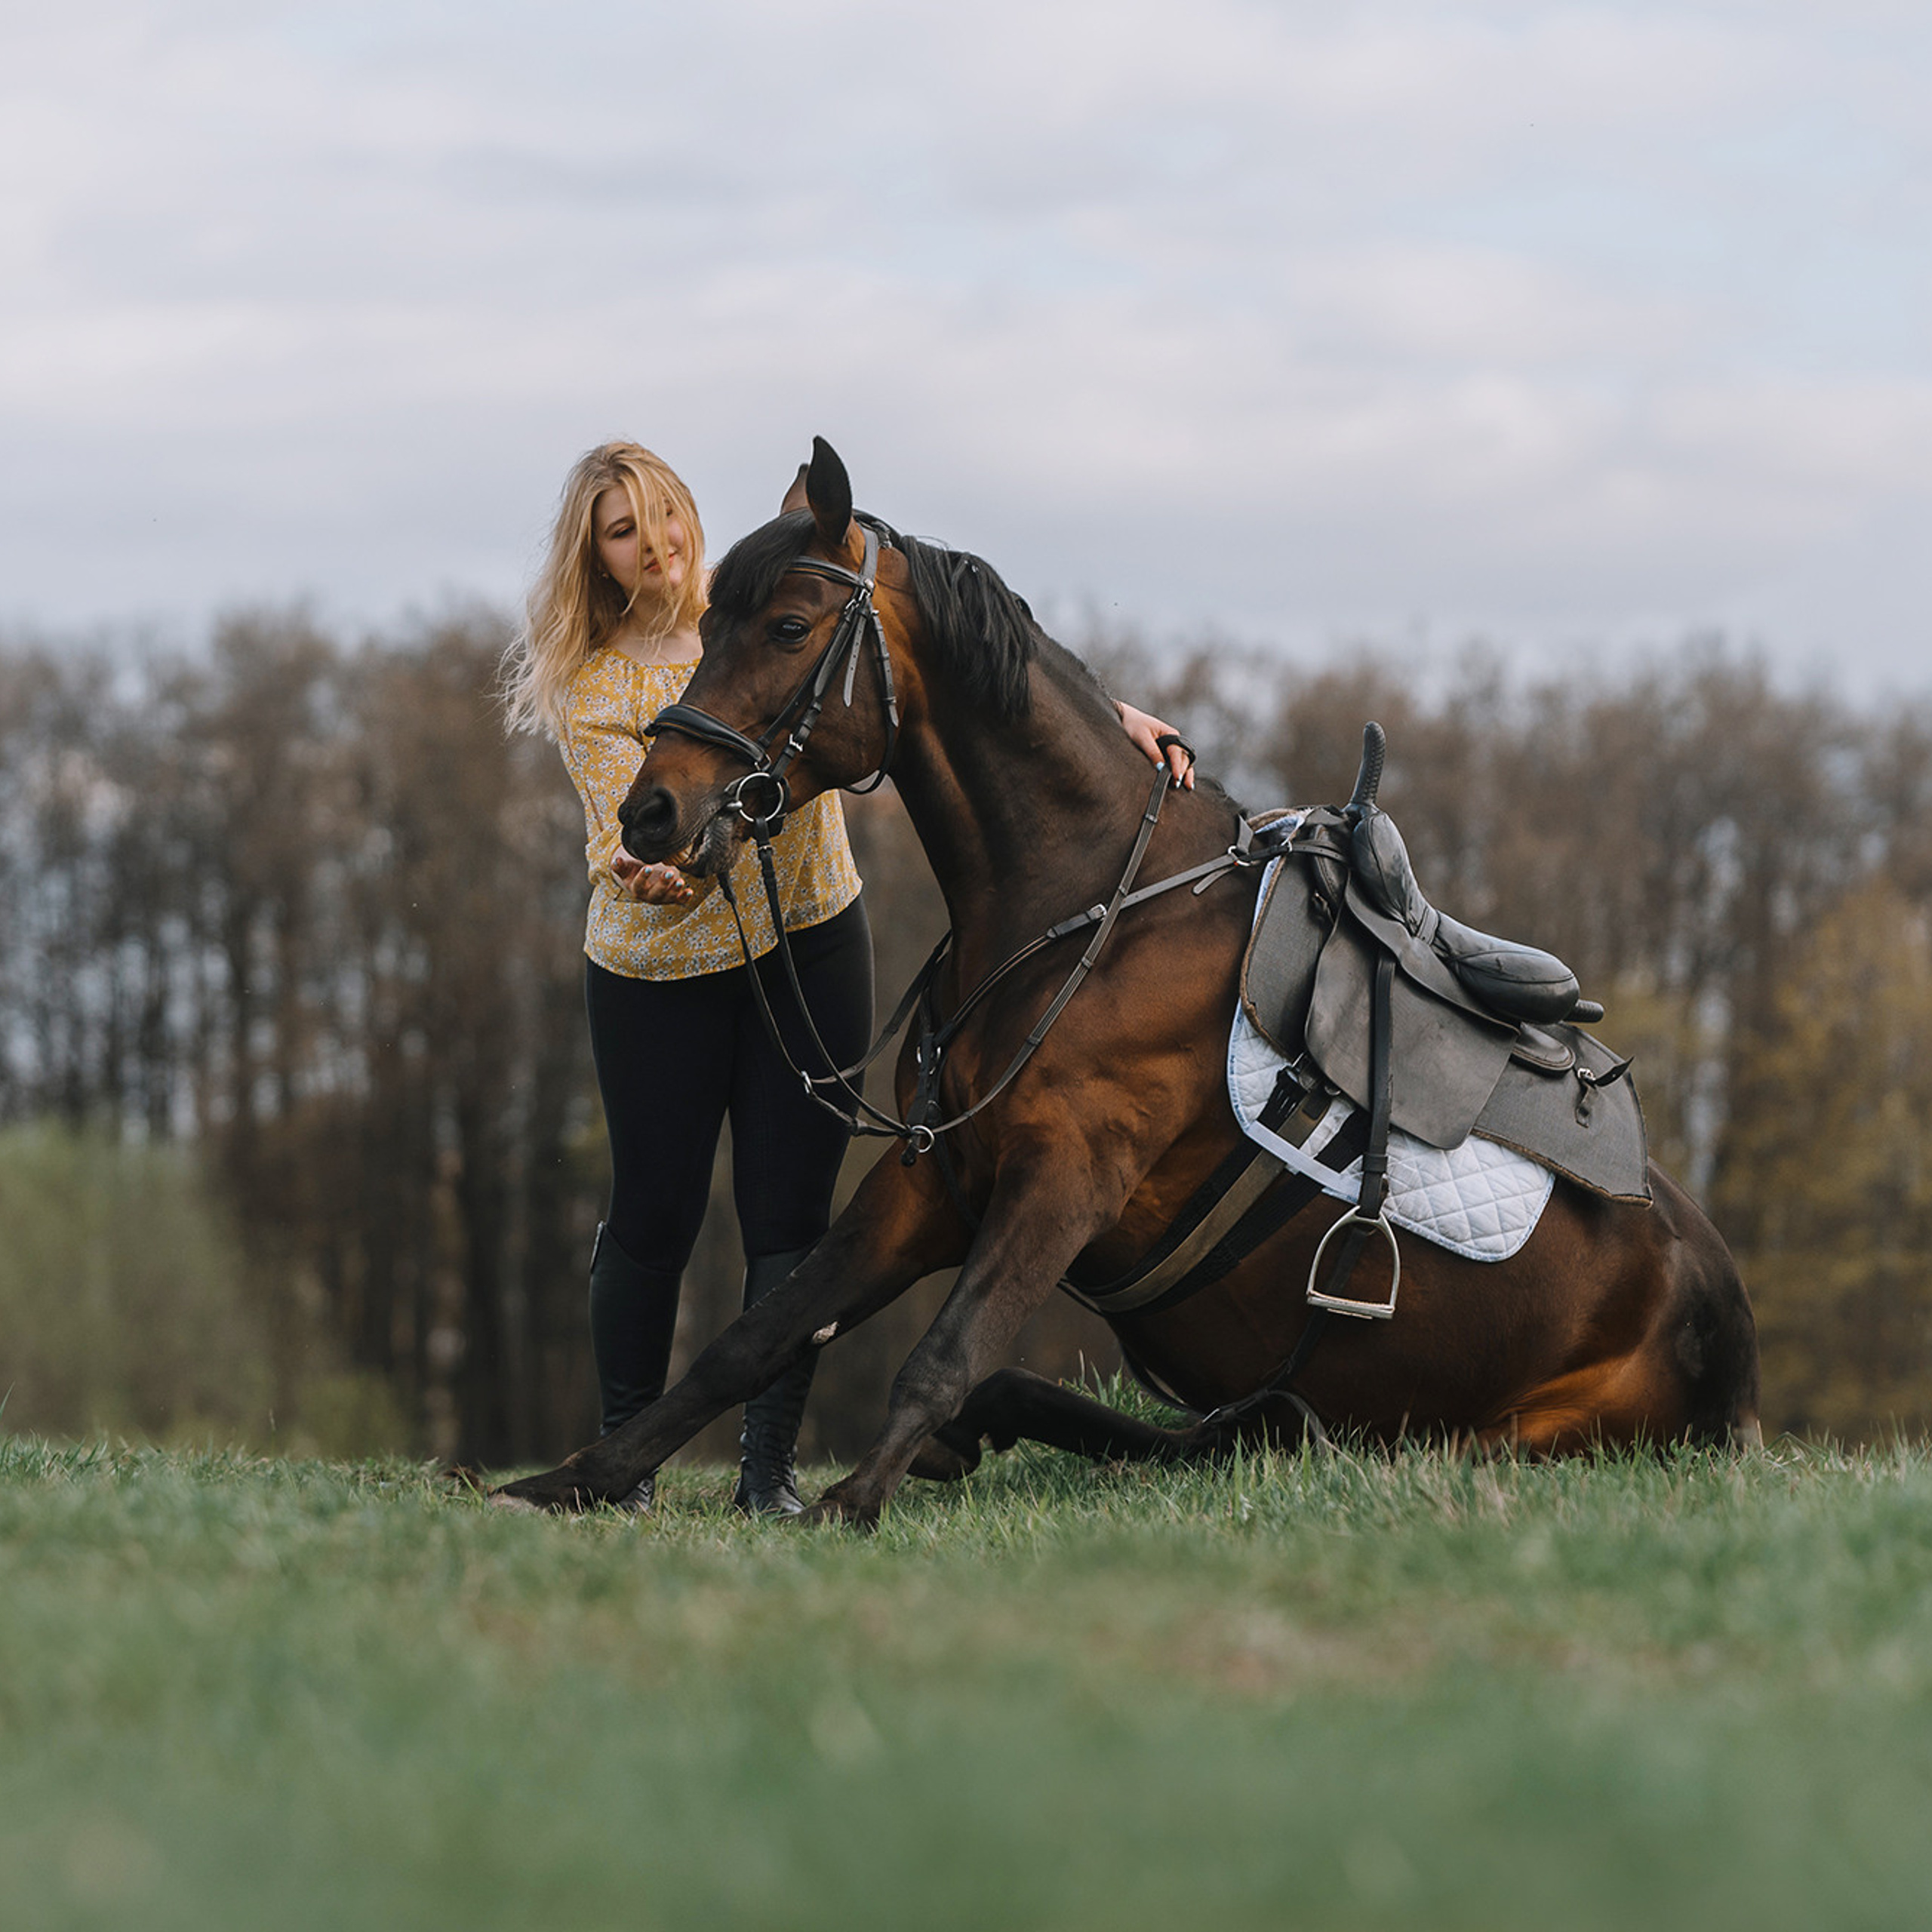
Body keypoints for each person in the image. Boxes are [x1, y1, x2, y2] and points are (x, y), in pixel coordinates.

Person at [503, 440, 1191, 1515]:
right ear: (594, 556)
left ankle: (767, 1475)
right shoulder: (596, 684)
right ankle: (620, 1463)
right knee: (654, 1217)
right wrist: (651, 874)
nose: (657, 546)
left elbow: (952, 658)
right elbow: (618, 840)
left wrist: (1111, 720)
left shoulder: (760, 609)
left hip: (810, 942)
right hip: (657, 976)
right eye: (624, 531)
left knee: (792, 1220)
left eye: (666, 517)